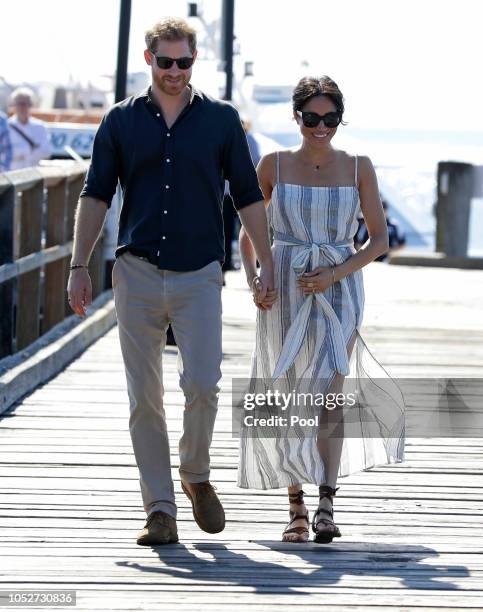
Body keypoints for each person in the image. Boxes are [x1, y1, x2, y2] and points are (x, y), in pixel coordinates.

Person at [67, 17, 274, 546]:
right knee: (145, 397)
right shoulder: (119, 121)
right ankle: (159, 507)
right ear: (149, 60)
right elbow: (95, 196)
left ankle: (195, 473)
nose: (176, 71)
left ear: (194, 61)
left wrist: (265, 259)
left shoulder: (222, 121)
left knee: (203, 383)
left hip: (199, 272)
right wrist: (78, 266)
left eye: (185, 62)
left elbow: (247, 194)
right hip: (134, 271)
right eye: (166, 62)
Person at [238, 76, 405, 544]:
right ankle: (295, 505)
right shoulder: (271, 165)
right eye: (312, 118)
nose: (321, 127)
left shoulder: (358, 167)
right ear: (296, 117)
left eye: (330, 119)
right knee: (286, 389)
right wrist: (256, 277)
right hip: (284, 285)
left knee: (330, 392)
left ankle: (327, 502)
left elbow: (379, 241)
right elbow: (249, 234)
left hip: (339, 285)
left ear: (339, 120)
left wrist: (335, 274)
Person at [8, 87, 52, 170]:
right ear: (14, 105)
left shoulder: (40, 127)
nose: (22, 107)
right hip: (13, 175)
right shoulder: (6, 127)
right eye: (19, 103)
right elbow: (5, 153)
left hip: (34, 175)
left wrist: (21, 152)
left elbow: (46, 152)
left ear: (30, 105)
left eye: (25, 103)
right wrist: (30, 150)